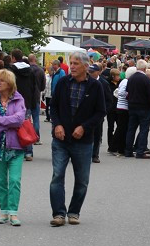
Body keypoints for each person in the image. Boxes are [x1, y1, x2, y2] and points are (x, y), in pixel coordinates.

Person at [48, 50, 106, 226]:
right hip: (61, 139)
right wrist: (56, 124)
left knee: (82, 180)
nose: (71, 66)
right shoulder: (63, 83)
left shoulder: (95, 87)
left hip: (83, 141)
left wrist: (84, 127)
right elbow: (54, 106)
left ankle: (74, 212)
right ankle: (58, 213)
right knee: (57, 176)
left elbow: (100, 112)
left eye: (75, 64)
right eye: (71, 63)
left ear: (85, 66)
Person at [0, 69, 27, 226]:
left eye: (2, 80)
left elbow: (19, 120)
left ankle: (13, 213)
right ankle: (4, 211)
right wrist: (7, 124)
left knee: (14, 180)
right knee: (0, 181)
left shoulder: (18, 99)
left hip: (15, 147)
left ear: (10, 83)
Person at [124, 59, 150, 159]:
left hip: (132, 106)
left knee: (131, 129)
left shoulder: (131, 78)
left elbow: (127, 91)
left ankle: (128, 150)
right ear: (145, 69)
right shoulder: (146, 80)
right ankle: (140, 151)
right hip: (144, 107)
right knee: (144, 129)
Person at [110, 66, 133, 156]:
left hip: (121, 106)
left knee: (121, 128)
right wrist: (128, 95)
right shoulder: (126, 82)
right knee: (121, 128)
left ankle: (117, 146)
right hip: (123, 107)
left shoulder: (124, 81)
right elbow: (121, 92)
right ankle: (115, 147)